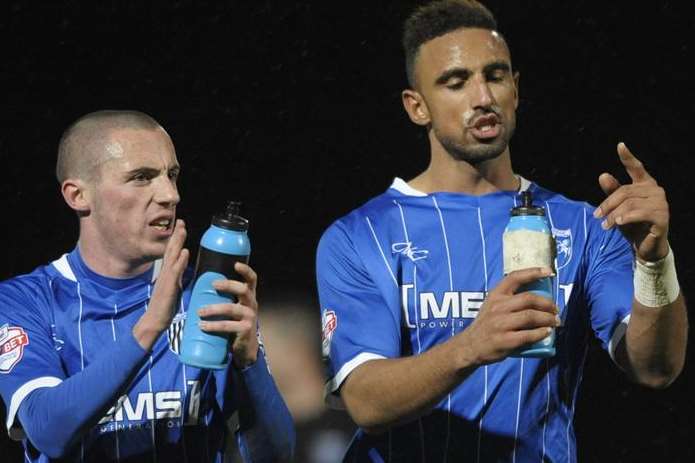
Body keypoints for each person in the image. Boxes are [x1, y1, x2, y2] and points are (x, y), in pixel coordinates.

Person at [315, 1, 687, 461]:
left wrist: (655, 261)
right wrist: (472, 345)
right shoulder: (359, 236)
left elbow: (656, 368)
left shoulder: (586, 226)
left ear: (516, 88)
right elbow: (366, 402)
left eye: (495, 76)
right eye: (456, 82)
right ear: (417, 107)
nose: (482, 97)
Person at [0, 110, 295, 462]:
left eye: (172, 175)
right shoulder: (26, 301)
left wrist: (251, 365)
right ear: (78, 195)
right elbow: (48, 430)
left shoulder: (206, 296)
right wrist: (150, 325)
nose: (169, 194)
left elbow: (275, 457)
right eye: (142, 177)